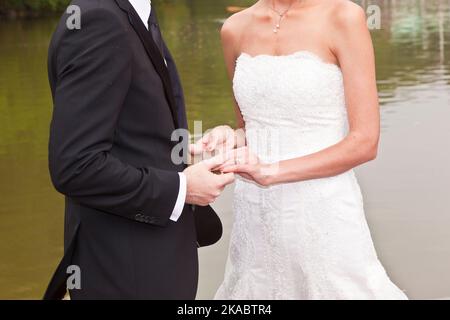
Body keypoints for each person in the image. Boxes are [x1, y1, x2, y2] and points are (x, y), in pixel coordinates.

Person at [192, 0, 408, 299]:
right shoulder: (234, 28)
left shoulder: (344, 16)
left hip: (323, 209)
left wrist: (273, 172)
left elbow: (364, 142)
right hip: (255, 215)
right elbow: (251, 127)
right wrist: (229, 135)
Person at [44, 0, 234, 300]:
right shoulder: (98, 20)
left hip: (150, 264)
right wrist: (183, 188)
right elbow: (75, 166)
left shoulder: (133, 13)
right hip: (125, 272)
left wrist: (189, 151)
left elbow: (133, 136)